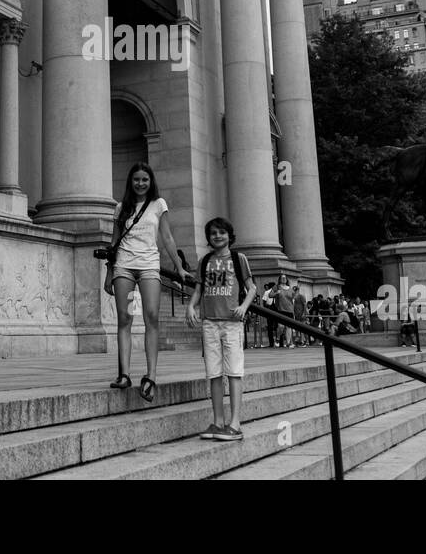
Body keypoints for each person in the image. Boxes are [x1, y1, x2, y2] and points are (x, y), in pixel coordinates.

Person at [105, 162, 192, 401]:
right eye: (136, 179)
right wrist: (108, 274)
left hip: (148, 265)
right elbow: (113, 243)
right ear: (130, 182)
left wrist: (179, 267)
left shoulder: (158, 204)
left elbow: (166, 237)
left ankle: (151, 375)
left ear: (150, 181)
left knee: (151, 316)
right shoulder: (121, 207)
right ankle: (124, 374)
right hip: (123, 264)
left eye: (144, 179)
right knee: (124, 318)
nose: (140, 183)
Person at [187, 217, 256, 441]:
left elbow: (252, 287)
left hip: (232, 323)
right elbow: (198, 289)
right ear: (208, 237)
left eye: (222, 232)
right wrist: (191, 306)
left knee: (234, 372)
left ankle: (235, 423)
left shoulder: (239, 258)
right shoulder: (205, 260)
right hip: (209, 323)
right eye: (213, 233)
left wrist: (244, 306)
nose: (218, 236)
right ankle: (218, 421)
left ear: (229, 235)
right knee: (214, 374)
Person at [273, 277, 295, 348]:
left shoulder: (290, 289)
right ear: (279, 279)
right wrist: (276, 293)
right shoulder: (277, 287)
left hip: (290, 310)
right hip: (281, 310)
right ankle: (277, 339)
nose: (284, 279)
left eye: (285, 278)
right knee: (281, 326)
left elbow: (293, 299)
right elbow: (270, 295)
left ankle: (288, 343)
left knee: (289, 327)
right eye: (282, 278)